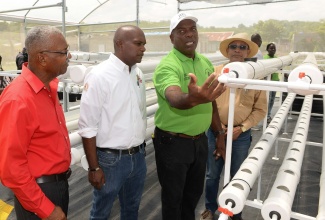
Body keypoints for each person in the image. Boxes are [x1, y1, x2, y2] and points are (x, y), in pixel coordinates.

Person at [152, 12, 225, 220]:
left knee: (193, 195)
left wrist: (219, 133)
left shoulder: (204, 63)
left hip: (199, 141)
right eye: (181, 31)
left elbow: (211, 103)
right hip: (173, 143)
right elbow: (174, 97)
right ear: (171, 37)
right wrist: (192, 98)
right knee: (173, 199)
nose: (188, 34)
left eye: (192, 29)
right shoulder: (168, 65)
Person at [0, 26, 72, 220]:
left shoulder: (48, 88)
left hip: (56, 186)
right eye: (64, 52)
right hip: (38, 194)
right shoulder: (18, 99)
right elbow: (12, 169)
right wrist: (45, 208)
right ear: (42, 58)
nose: (69, 56)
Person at [78, 25, 147, 220]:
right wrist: (94, 168)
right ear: (119, 44)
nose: (143, 49)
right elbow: (87, 126)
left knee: (131, 209)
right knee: (101, 212)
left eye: (144, 44)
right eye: (138, 44)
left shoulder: (137, 73)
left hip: (138, 155)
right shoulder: (100, 75)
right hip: (111, 161)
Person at [200, 33, 267, 220]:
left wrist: (242, 127)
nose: (237, 50)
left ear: (247, 52)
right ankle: (210, 209)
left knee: (237, 176)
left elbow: (260, 109)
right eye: (234, 46)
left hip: (240, 135)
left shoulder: (256, 78)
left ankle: (234, 212)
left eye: (242, 47)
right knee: (212, 174)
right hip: (215, 132)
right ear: (228, 51)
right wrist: (218, 127)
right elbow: (207, 102)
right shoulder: (215, 73)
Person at [264, 42, 278, 123]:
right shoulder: (265, 58)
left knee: (272, 99)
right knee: (268, 99)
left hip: (275, 81)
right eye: (271, 48)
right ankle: (267, 116)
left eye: (274, 48)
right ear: (267, 49)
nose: (273, 50)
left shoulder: (276, 58)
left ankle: (268, 114)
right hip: (268, 82)